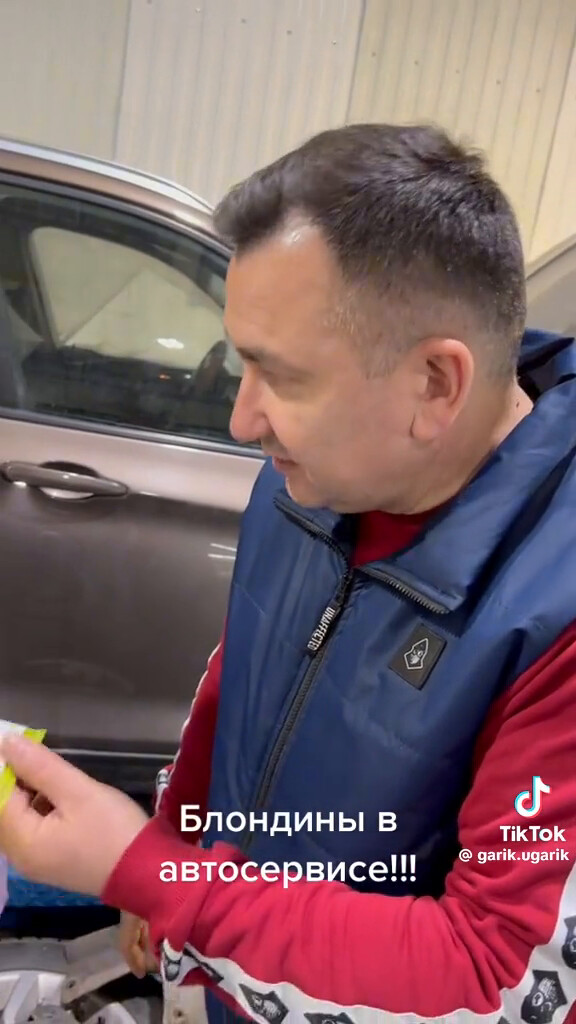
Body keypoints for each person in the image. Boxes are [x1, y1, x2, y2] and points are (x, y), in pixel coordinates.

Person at [0, 122, 575, 1024]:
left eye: (283, 376)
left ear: (435, 383)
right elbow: (239, 675)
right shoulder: (307, 481)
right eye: (241, 363)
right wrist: (169, 847)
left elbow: (498, 977)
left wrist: (159, 877)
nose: (242, 420)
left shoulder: (557, 617)